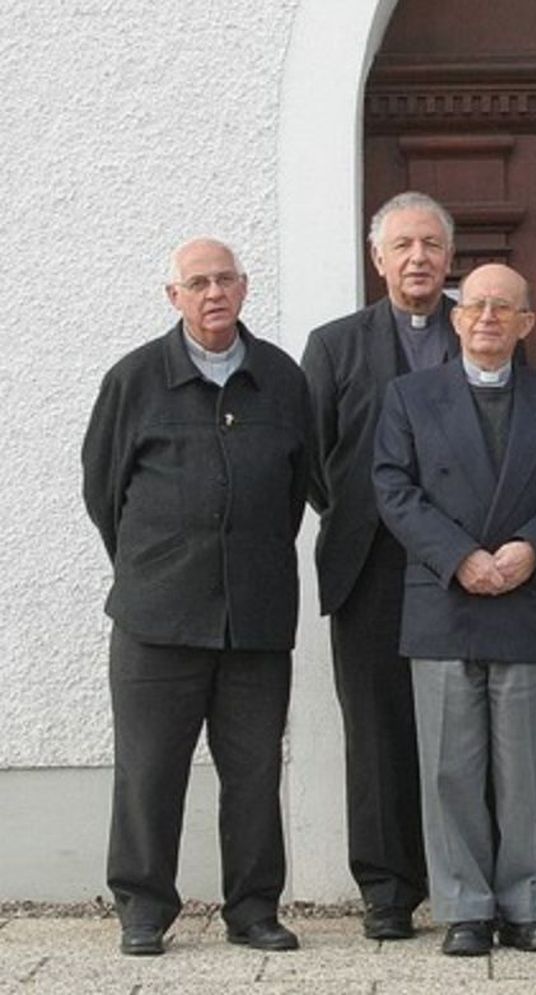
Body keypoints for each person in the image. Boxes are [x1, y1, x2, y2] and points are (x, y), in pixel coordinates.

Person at [82, 238, 311, 956]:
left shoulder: (281, 378)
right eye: (198, 282)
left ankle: (253, 909)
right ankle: (144, 908)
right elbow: (103, 490)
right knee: (150, 769)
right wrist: (159, 563)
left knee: (254, 770)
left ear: (245, 289)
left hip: (256, 616)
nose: (214, 292)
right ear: (173, 296)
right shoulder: (135, 379)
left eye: (226, 280)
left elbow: (298, 484)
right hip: (157, 616)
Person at [373, 263, 536, 956]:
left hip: (528, 597)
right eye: (474, 306)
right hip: (446, 598)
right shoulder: (410, 397)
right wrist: (460, 556)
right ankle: (465, 906)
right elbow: (393, 487)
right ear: (455, 317)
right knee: (451, 766)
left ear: (527, 322)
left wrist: (531, 549)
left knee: (528, 768)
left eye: (504, 308)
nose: (487, 318)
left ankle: (530, 904)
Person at [302, 191, 458, 940]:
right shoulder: (334, 345)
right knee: (377, 731)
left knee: (460, 726)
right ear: (378, 259)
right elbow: (312, 457)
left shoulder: (482, 328)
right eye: (403, 245)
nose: (418, 258)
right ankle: (388, 891)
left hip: (461, 569)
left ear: (450, 256)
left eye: (430, 244)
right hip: (368, 567)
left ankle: (462, 881)